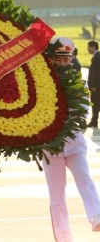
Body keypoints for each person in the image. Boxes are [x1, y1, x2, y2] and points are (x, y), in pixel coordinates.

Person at [43, 37, 100, 242]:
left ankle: (97, 217)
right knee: (57, 195)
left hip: (75, 144)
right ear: (52, 60)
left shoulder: (79, 82)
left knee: (85, 179)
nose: (64, 62)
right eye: (60, 59)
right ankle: (63, 237)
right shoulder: (42, 85)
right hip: (51, 148)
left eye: (67, 58)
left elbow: (83, 109)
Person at [87, 40, 100, 128]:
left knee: (95, 103)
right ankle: (94, 120)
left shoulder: (97, 57)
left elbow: (97, 73)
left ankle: (94, 121)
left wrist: (94, 85)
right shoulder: (96, 56)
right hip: (95, 86)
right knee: (95, 103)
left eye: (88, 47)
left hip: (96, 86)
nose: (87, 49)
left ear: (93, 47)